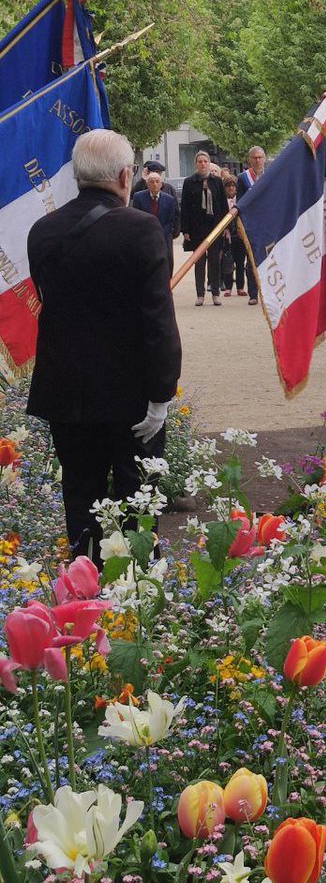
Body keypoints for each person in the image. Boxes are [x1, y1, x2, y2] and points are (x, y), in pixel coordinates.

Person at [26, 129, 181, 565]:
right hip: (129, 393)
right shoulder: (141, 229)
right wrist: (161, 395)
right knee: (137, 504)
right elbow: (157, 319)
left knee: (81, 496)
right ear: (124, 174)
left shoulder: (42, 232)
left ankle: (85, 584)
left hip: (67, 391)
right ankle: (136, 594)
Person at [181, 149, 230, 304]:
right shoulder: (189, 182)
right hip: (197, 228)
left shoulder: (217, 182)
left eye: (205, 161)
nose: (203, 164)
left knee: (215, 261)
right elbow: (186, 208)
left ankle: (215, 293)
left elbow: (223, 205)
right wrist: (186, 230)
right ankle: (200, 294)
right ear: (196, 164)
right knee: (199, 262)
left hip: (214, 227)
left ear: (209, 163)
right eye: (200, 161)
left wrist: (226, 227)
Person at [235, 146, 266, 304]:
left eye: (260, 157)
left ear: (265, 158)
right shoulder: (243, 178)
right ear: (249, 160)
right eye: (254, 157)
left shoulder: (270, 175)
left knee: (268, 258)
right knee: (252, 258)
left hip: (268, 224)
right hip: (251, 225)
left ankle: (267, 293)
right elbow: (240, 203)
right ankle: (253, 294)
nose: (258, 160)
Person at [133, 169, 178, 277]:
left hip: (163, 236)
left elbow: (171, 220)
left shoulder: (169, 199)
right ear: (147, 184)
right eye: (152, 181)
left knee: (166, 261)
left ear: (161, 184)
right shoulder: (138, 197)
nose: (154, 184)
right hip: (145, 236)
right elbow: (136, 217)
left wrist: (160, 232)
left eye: (157, 181)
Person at [220, 176, 241, 296]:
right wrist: (226, 229)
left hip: (239, 234)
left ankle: (240, 287)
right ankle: (228, 287)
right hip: (226, 235)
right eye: (228, 186)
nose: (231, 188)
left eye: (233, 186)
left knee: (239, 261)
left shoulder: (240, 200)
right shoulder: (222, 201)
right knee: (227, 262)